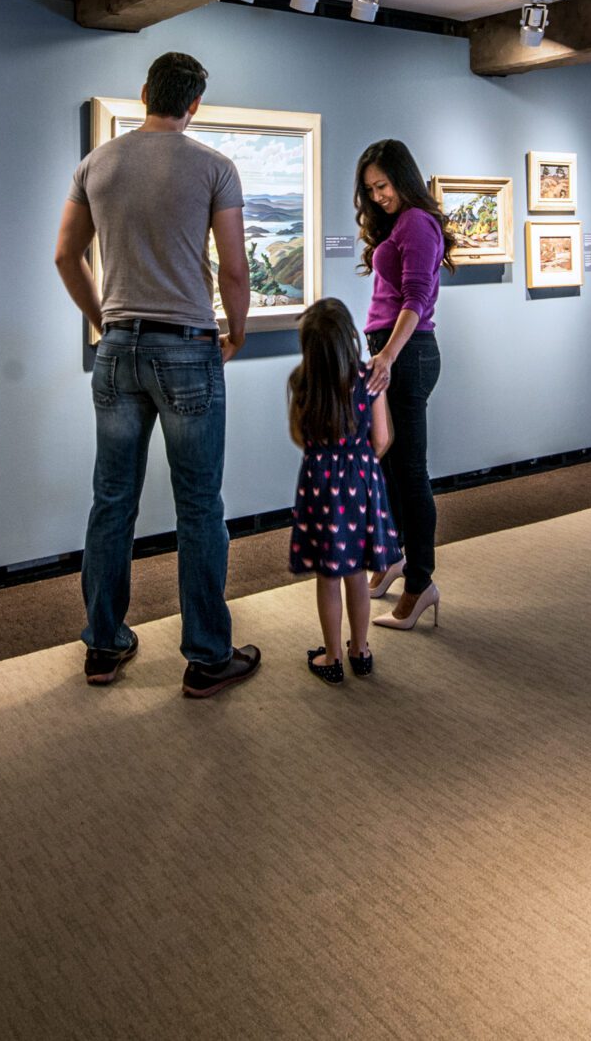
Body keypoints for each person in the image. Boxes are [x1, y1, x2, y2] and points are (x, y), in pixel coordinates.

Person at [54, 52, 262, 699]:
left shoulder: (98, 163)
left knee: (112, 500)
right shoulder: (214, 167)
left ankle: (104, 643)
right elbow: (232, 269)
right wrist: (237, 328)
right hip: (186, 349)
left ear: (145, 93)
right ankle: (206, 655)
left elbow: (65, 254)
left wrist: (104, 321)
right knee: (200, 504)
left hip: (119, 347)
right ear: (194, 103)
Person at [351, 138, 451, 633]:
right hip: (388, 354)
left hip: (406, 357)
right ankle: (392, 557)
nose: (377, 197)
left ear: (404, 179)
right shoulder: (399, 224)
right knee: (386, 466)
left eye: (383, 186)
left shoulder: (416, 222)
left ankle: (421, 582)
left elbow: (415, 298)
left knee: (410, 473)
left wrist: (386, 356)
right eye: (370, 190)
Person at [285, 298, 402, 683]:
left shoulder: (301, 382)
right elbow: (382, 438)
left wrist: (327, 455)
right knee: (357, 571)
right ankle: (361, 651)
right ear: (350, 337)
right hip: (361, 479)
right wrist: (360, 461)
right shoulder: (370, 377)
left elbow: (299, 436)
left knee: (329, 574)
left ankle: (331, 657)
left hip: (320, 483)